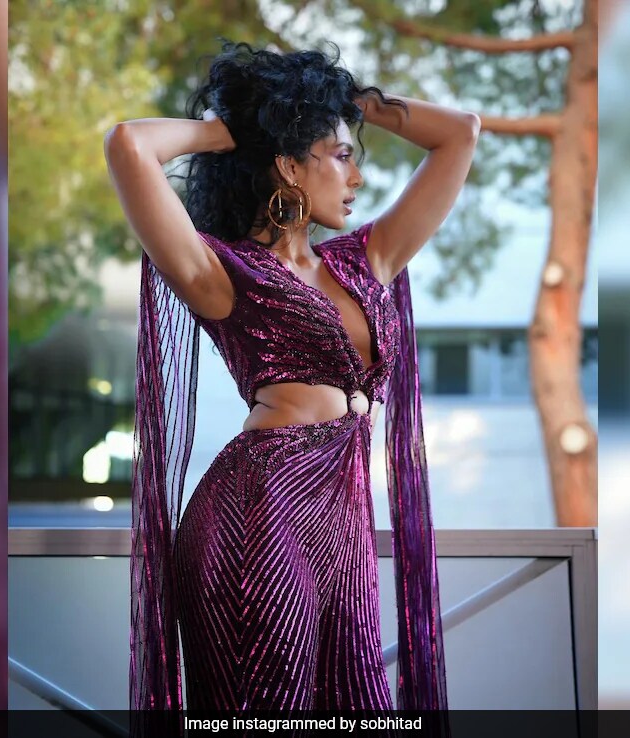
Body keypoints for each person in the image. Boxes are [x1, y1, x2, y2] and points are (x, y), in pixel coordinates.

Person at [104, 41, 479, 734]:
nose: (357, 176)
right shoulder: (221, 272)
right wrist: (237, 129)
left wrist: (336, 99)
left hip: (344, 526)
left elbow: (459, 135)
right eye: (341, 155)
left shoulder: (367, 260)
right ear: (287, 165)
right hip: (257, 511)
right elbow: (129, 144)